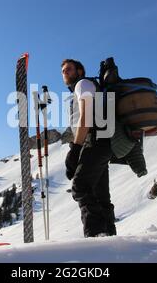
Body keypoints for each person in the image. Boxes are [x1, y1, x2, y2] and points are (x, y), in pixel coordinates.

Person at [61, 59, 116, 238]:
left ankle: (96, 235)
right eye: (63, 71)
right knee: (100, 196)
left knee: (80, 187)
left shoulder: (83, 84)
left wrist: (75, 149)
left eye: (68, 69)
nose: (65, 73)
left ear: (80, 70)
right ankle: (109, 236)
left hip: (94, 141)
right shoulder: (88, 85)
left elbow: (86, 115)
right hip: (103, 143)